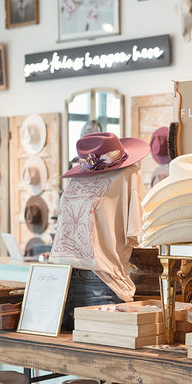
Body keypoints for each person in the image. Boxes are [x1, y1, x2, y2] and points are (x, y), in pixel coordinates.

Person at [50, 132, 150, 330]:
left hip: (102, 280)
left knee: (104, 357)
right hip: (59, 280)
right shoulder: (75, 179)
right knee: (53, 357)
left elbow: (137, 234)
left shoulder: (128, 175)